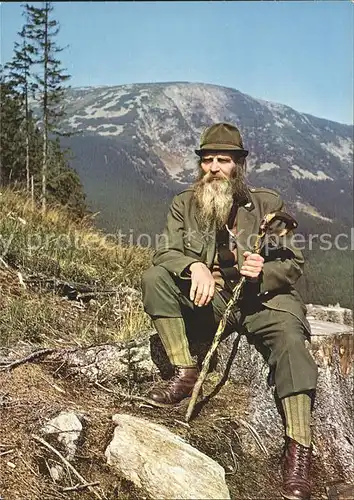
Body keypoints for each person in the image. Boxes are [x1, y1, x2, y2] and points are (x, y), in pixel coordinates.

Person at [141, 122, 318, 500]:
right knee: (156, 276)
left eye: (224, 160)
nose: (214, 168)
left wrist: (263, 270)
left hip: (263, 302)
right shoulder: (184, 203)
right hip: (215, 298)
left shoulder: (268, 205)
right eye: (207, 160)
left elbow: (293, 263)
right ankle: (185, 373)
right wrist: (195, 267)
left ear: (239, 165)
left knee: (291, 340)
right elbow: (165, 252)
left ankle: (299, 451)